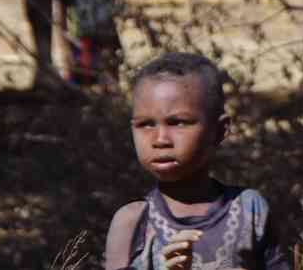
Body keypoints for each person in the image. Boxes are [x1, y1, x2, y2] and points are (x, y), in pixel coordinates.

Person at [104, 52, 289, 269]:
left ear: (219, 130)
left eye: (178, 123)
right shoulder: (133, 222)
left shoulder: (249, 209)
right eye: (146, 124)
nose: (160, 139)